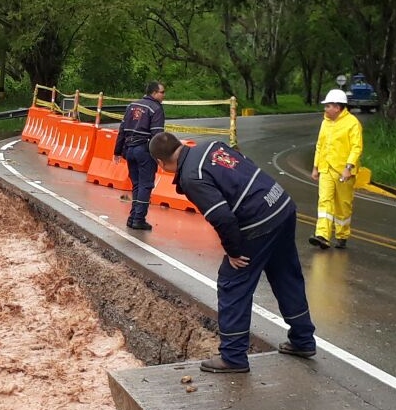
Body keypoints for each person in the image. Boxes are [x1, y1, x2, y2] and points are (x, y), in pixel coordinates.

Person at [148, 132, 317, 373]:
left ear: (160, 163)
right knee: (285, 275)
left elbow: (222, 217)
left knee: (232, 282)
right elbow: (243, 165)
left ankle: (233, 356)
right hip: (281, 204)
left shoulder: (191, 176)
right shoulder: (210, 146)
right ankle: (303, 339)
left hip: (258, 221)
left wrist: (234, 252)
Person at [309, 89, 363, 250]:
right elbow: (320, 145)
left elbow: (356, 148)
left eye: (328, 106)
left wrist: (348, 167)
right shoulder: (325, 122)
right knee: (324, 201)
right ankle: (322, 235)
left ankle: (342, 235)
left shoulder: (352, 123)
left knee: (343, 205)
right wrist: (315, 167)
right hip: (326, 168)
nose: (325, 109)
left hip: (343, 171)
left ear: (338, 107)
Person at [113, 81, 166, 230]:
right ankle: (138, 219)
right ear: (154, 93)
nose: (164, 95)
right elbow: (157, 135)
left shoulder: (132, 106)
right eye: (162, 92)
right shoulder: (156, 108)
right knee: (146, 185)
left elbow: (122, 129)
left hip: (129, 150)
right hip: (144, 150)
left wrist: (117, 151)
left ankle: (132, 217)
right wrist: (160, 156)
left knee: (137, 184)